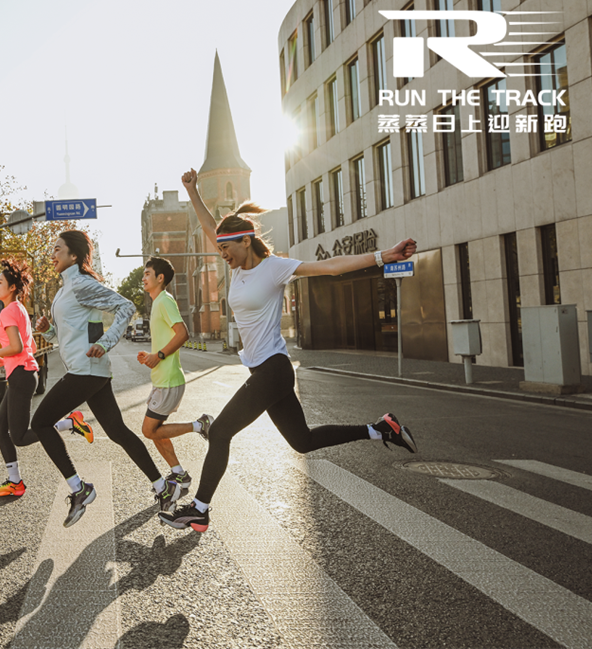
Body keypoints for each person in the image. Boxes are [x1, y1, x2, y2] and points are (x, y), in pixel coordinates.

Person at [160, 170, 418, 533]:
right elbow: (209, 226)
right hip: (263, 372)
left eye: (227, 249)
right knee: (303, 440)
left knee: (219, 432)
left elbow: (329, 267)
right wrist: (193, 191)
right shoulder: (236, 269)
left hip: (273, 369)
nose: (223, 255)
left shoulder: (274, 268)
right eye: (220, 250)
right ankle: (380, 429)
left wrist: (383, 257)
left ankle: (199, 509)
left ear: (245, 241)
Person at [30, 230, 178, 527]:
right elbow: (70, 335)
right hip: (87, 370)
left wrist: (107, 341)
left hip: (86, 370)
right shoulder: (64, 289)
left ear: (73, 255)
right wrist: (47, 330)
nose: (52, 254)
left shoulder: (82, 284)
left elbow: (126, 307)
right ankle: (163, 487)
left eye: (57, 249)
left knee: (40, 423)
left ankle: (79, 489)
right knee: (117, 431)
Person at [0, 258, 57, 497]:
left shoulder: (8, 312)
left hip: (21, 377)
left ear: (12, 287)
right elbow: (30, 347)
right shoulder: (20, 310)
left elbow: (16, 347)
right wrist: (2, 358)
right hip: (23, 374)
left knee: (19, 436)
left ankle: (69, 424)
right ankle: (14, 482)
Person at [135, 257, 198, 496]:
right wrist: (151, 356)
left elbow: (183, 333)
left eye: (147, 273)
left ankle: (198, 425)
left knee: (149, 431)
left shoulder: (164, 301)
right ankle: (179, 473)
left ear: (160, 278)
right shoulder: (159, 302)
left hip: (169, 380)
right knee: (157, 433)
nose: (144, 277)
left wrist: (159, 355)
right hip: (162, 379)